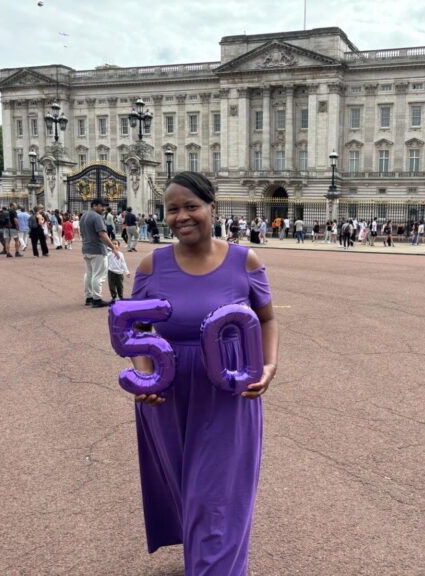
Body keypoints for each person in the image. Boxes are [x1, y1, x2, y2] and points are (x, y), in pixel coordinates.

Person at [128, 171, 278, 575]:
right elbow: (136, 329)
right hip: (168, 392)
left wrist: (268, 365)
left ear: (213, 207)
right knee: (186, 489)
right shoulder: (151, 265)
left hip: (227, 389)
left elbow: (266, 319)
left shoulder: (243, 260)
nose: (181, 216)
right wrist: (144, 377)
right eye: (172, 209)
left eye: (191, 206)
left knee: (217, 496)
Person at [80, 198, 121, 308]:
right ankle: (96, 299)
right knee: (99, 275)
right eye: (101, 206)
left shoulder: (84, 216)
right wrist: (113, 247)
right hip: (97, 249)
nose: (103, 209)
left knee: (89, 274)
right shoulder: (97, 217)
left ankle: (89, 297)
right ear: (94, 205)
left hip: (86, 248)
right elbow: (102, 234)